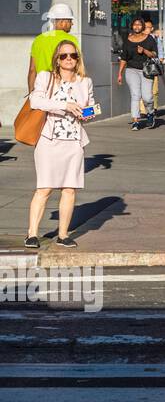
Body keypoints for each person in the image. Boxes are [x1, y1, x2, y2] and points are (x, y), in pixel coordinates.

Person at [25, 41, 96, 249]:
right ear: (57, 59)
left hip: (73, 141)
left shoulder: (85, 82)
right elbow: (35, 102)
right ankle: (32, 234)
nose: (68, 59)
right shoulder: (46, 77)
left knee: (69, 189)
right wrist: (65, 105)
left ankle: (63, 234)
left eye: (73, 56)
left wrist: (86, 114)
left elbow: (90, 107)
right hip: (49, 140)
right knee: (44, 188)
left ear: (77, 59)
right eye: (64, 56)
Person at [116, 16, 158, 130]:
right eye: (135, 24)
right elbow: (124, 58)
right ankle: (135, 120)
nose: (137, 26)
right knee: (135, 95)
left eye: (139, 24)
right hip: (131, 70)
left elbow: (154, 54)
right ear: (132, 26)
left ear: (143, 26)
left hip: (146, 70)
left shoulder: (149, 39)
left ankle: (150, 113)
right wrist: (120, 73)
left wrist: (144, 51)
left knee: (147, 97)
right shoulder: (128, 40)